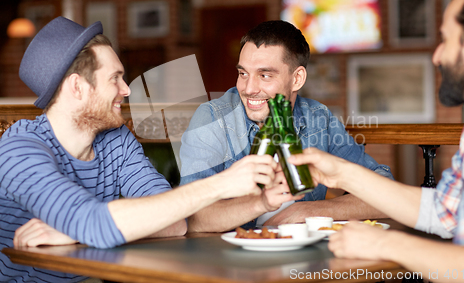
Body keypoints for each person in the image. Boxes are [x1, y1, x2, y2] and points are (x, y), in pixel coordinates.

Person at [0, 17, 277, 283]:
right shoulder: (18, 150)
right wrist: (223, 183)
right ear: (78, 87)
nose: (126, 89)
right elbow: (96, 222)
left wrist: (81, 231)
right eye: (115, 78)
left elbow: (175, 222)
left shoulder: (115, 139)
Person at [288, 0, 464, 281]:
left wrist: (386, 243)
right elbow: (442, 210)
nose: (437, 56)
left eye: (445, 40)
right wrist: (342, 172)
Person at [179, 20, 393, 232]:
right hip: (235, 259)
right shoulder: (213, 118)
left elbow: (384, 190)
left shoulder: (318, 118)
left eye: (265, 75)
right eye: (243, 73)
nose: (249, 88)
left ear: (297, 78)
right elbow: (194, 218)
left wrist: (309, 211)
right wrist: (262, 203)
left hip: (306, 257)